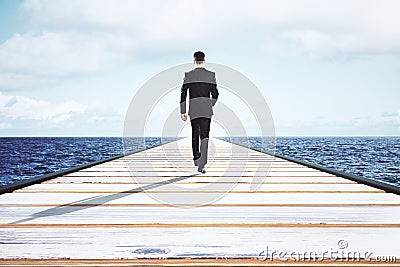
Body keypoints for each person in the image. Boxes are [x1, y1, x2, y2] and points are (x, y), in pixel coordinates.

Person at [180, 51, 219, 173]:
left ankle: (197, 158)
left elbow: (183, 94)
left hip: (194, 110)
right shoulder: (211, 75)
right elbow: (216, 94)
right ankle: (202, 164)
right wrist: (210, 104)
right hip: (206, 110)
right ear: (204, 60)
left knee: (195, 134)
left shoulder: (189, 75)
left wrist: (183, 111)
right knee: (205, 136)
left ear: (194, 60)